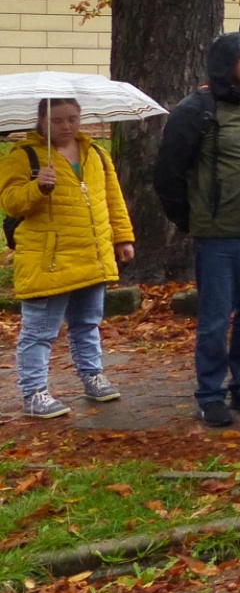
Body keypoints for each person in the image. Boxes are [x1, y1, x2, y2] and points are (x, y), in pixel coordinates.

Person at [155, 32, 240, 427]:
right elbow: (168, 173)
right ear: (224, 63)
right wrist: (192, 219)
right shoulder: (197, 109)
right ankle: (210, 395)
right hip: (221, 237)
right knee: (215, 320)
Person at [3, 98, 134, 417]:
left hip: (92, 254)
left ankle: (92, 376)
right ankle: (34, 392)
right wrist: (38, 187)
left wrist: (122, 237)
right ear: (41, 121)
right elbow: (11, 203)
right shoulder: (23, 156)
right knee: (39, 331)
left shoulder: (96, 154)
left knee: (87, 323)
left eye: (73, 118)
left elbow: (112, 199)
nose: (67, 126)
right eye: (58, 120)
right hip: (48, 259)